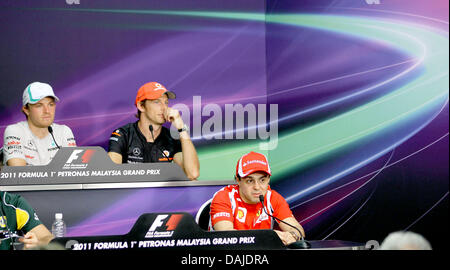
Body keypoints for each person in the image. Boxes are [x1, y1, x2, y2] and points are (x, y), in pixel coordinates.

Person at [209, 151, 306, 246]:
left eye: (262, 180)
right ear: (238, 180)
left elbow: (298, 229)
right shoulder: (224, 197)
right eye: (250, 181)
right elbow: (227, 236)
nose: (257, 187)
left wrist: (291, 235)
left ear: (268, 179)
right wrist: (267, 236)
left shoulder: (273, 198)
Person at [107, 82, 200, 180]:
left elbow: (192, 174)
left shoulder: (171, 137)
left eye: (166, 102)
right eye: (157, 102)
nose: (164, 108)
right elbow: (111, 174)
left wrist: (182, 128)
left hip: (162, 194)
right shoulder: (123, 134)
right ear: (141, 106)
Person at [2, 82, 77, 166]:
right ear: (26, 110)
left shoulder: (64, 131)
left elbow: (72, 172)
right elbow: (19, 173)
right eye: (39, 105)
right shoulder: (14, 131)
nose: (47, 111)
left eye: (51, 104)